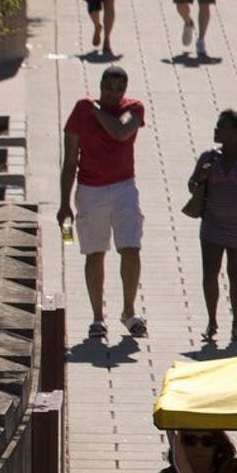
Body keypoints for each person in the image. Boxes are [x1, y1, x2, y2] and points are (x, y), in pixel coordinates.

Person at [60, 66, 145, 338]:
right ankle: (98, 317)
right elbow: (70, 160)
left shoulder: (133, 109)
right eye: (108, 88)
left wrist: (95, 109)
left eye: (118, 89)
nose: (112, 94)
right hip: (91, 190)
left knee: (130, 248)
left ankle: (129, 312)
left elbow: (120, 133)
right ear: (100, 85)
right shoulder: (79, 112)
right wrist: (64, 204)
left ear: (124, 91)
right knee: (95, 253)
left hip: (123, 188)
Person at [188, 109, 237, 349]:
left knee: (236, 274)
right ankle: (212, 321)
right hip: (212, 224)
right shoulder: (208, 157)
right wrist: (201, 175)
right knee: (210, 273)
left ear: (235, 132)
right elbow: (192, 186)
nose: (216, 129)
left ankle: (236, 323)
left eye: (222, 126)